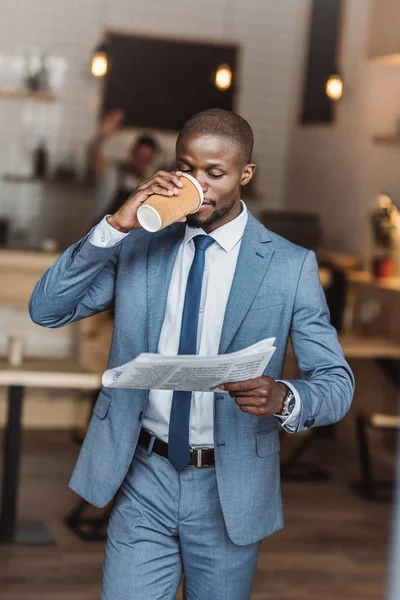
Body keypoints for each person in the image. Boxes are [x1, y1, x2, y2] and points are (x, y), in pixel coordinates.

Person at [30, 108, 354, 600]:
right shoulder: (140, 244)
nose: (197, 184)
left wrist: (285, 397)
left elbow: (335, 383)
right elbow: (47, 309)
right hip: (144, 474)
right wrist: (116, 224)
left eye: (214, 173)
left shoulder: (291, 266)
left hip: (229, 487)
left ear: (245, 174)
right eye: (187, 168)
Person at [88, 108, 159, 221]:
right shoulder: (112, 174)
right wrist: (101, 136)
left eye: (147, 159)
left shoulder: (150, 182)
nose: (142, 162)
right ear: (131, 153)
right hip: (102, 234)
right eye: (140, 157)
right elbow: (93, 155)